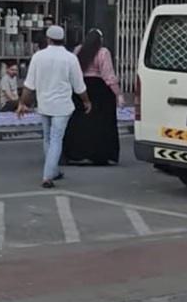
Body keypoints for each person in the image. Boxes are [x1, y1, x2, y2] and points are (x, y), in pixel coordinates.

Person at [18, 25, 92, 189]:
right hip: (62, 106)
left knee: (47, 138)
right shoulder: (70, 58)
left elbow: (29, 85)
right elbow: (79, 86)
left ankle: (53, 171)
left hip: (44, 104)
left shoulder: (38, 57)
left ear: (48, 39)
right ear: (62, 40)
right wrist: (86, 101)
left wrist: (23, 103)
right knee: (56, 139)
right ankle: (48, 175)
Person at [64, 28, 123, 166]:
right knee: (100, 122)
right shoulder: (103, 52)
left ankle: (76, 152)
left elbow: (74, 71)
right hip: (99, 89)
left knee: (80, 121)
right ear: (100, 40)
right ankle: (100, 154)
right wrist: (118, 94)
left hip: (81, 87)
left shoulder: (78, 50)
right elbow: (108, 75)